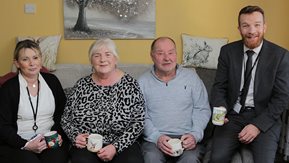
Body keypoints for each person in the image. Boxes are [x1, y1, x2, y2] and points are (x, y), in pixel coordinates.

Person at [209, 5, 289, 163]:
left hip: (264, 116)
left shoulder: (281, 56)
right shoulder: (227, 51)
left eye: (257, 25)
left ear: (264, 27)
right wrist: (221, 109)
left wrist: (257, 126)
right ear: (239, 28)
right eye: (245, 25)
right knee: (217, 158)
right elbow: (219, 86)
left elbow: (282, 97)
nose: (251, 31)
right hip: (232, 116)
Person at [61, 38, 145, 163]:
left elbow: (138, 122)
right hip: (88, 145)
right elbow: (65, 118)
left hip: (122, 143)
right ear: (91, 61)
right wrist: (75, 136)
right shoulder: (81, 85)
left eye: (108, 54)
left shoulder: (130, 84)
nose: (102, 59)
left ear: (115, 59)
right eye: (97, 55)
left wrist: (116, 147)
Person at [139, 37, 211, 163]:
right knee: (152, 158)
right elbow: (140, 115)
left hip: (186, 138)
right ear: (152, 56)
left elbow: (202, 108)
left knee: (191, 159)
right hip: (155, 140)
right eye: (160, 53)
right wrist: (157, 137)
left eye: (171, 52)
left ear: (176, 54)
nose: (167, 58)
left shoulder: (191, 78)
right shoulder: (142, 82)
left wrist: (195, 135)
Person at [0, 40, 69, 163]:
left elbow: (63, 114)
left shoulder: (52, 82)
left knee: (56, 159)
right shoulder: (8, 88)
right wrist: (26, 144)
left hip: (50, 140)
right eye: (25, 59)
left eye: (35, 57)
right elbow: (3, 126)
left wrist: (58, 134)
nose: (32, 63)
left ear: (41, 60)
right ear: (17, 63)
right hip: (19, 143)